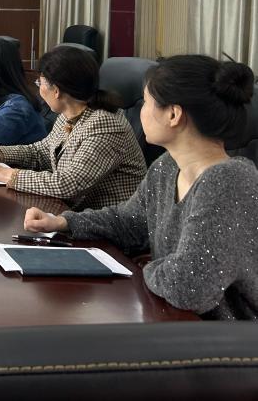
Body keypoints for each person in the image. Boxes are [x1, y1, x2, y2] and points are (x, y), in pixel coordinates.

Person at [25, 55, 258, 319]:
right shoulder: (167, 167)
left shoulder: (229, 180)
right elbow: (129, 223)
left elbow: (188, 287)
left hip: (227, 338)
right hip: (173, 320)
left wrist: (142, 267)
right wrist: (64, 222)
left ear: (173, 114)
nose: (140, 111)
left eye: (146, 102)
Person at [0, 45, 146, 209]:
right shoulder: (69, 115)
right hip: (70, 213)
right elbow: (40, 152)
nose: (39, 88)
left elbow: (67, 184)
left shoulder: (104, 125)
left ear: (57, 91)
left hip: (106, 228)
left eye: (40, 82)